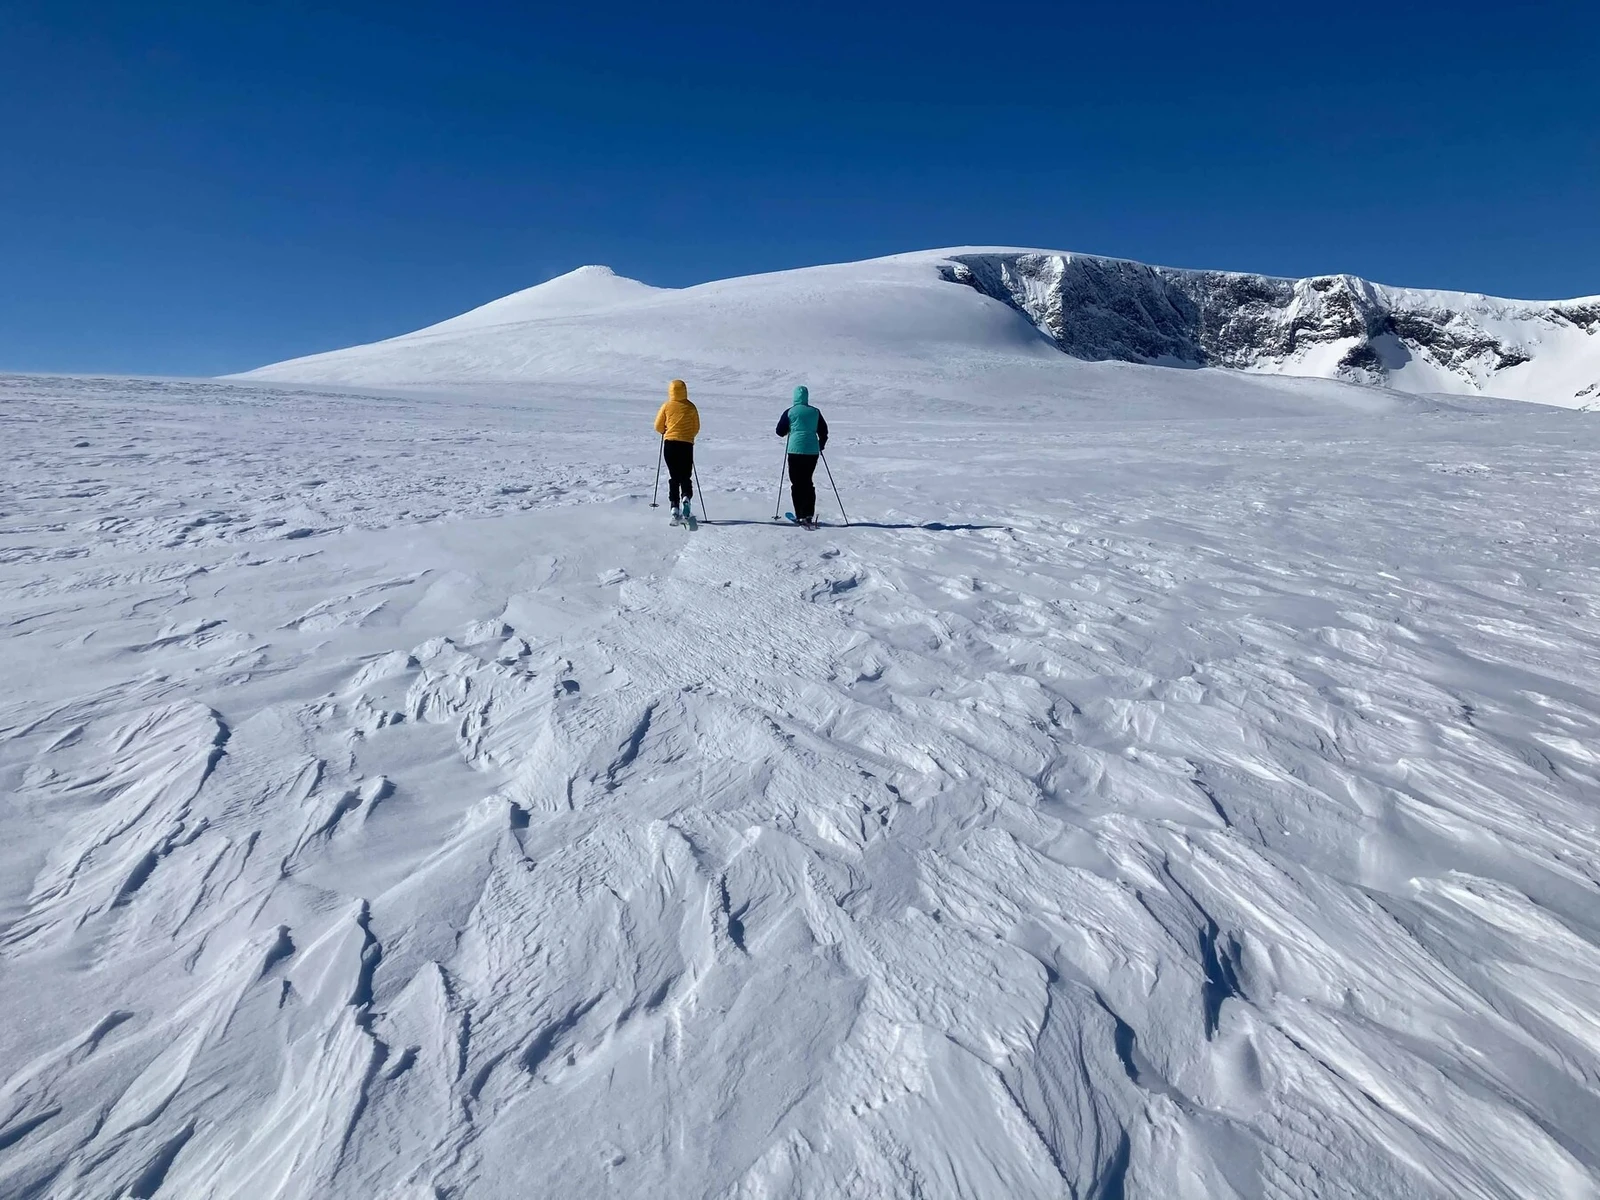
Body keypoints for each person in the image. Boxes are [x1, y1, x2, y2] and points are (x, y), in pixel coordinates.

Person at [776, 384, 828, 528]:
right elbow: (823, 431)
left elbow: (780, 431)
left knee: (797, 483)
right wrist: (820, 445)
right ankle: (808, 514)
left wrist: (789, 430)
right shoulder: (815, 412)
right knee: (808, 482)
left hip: (795, 450)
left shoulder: (790, 411)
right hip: (812, 452)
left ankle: (800, 515)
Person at [654, 379, 701, 523]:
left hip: (670, 444)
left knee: (674, 476)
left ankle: (674, 505)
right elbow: (696, 427)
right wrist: (688, 436)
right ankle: (686, 496)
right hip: (686, 445)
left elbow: (658, 426)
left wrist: (665, 430)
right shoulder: (691, 407)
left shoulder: (667, 406)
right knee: (686, 475)